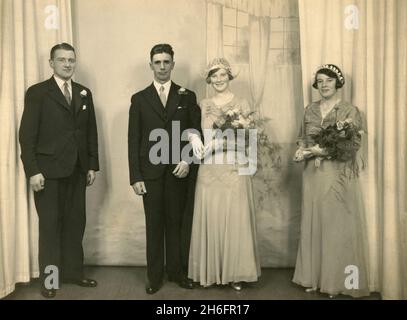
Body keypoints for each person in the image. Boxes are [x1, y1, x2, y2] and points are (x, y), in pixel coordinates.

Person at [19, 43, 99, 298]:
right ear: (51, 63)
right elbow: (27, 136)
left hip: (77, 170)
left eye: (71, 60)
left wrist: (91, 166)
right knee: (51, 227)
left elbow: (90, 133)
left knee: (76, 224)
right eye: (62, 60)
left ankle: (74, 273)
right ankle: (51, 280)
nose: (67, 64)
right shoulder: (38, 93)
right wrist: (33, 171)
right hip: (48, 172)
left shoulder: (84, 92)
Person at [128, 44, 201, 294]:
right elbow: (133, 140)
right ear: (151, 65)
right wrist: (135, 176)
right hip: (150, 175)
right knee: (154, 225)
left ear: (173, 64)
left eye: (166, 62)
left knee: (177, 224)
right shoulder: (139, 99)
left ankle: (178, 273)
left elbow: (195, 133)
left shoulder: (186, 96)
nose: (161, 67)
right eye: (157, 62)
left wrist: (187, 159)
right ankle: (155, 277)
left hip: (178, 171)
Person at [292, 64, 370, 298]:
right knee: (313, 223)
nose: (324, 85)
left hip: (337, 175)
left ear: (338, 83)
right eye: (320, 81)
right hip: (312, 176)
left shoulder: (349, 111)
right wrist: (300, 151)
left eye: (328, 80)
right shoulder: (309, 110)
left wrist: (320, 152)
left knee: (335, 226)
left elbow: (352, 146)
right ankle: (313, 278)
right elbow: (301, 139)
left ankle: (335, 281)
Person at [187, 58, 261, 291]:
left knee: (234, 218)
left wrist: (221, 145)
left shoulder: (242, 102)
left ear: (229, 76)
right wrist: (194, 137)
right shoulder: (204, 103)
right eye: (214, 75)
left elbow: (248, 138)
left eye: (222, 75)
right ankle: (209, 272)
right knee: (212, 215)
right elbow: (196, 129)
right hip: (208, 168)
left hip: (233, 166)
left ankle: (235, 273)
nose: (218, 79)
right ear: (209, 79)